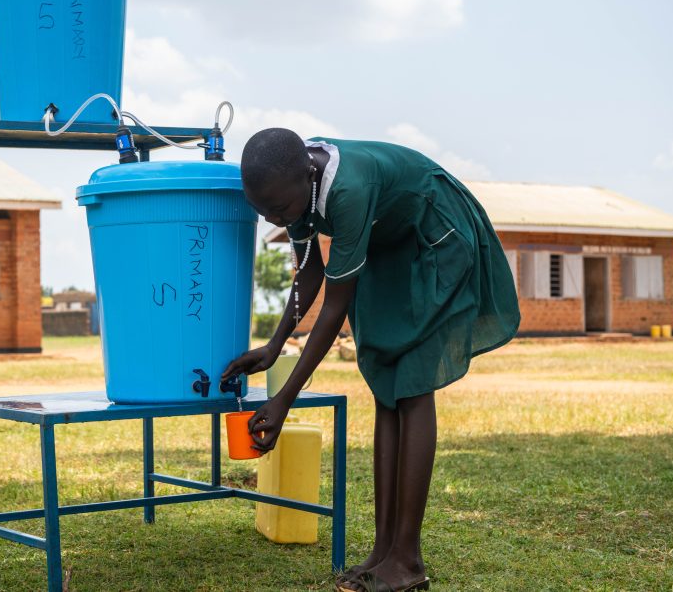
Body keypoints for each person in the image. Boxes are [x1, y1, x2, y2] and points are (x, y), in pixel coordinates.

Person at [221, 128, 520, 592]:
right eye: (266, 213)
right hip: (388, 243)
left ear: (306, 175)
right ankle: (384, 551)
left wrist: (283, 399)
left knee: (413, 386)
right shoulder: (295, 187)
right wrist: (273, 346)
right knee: (386, 388)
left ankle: (408, 561)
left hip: (434, 237)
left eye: (280, 209)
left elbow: (334, 310)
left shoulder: (347, 189)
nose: (277, 218)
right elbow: (308, 273)